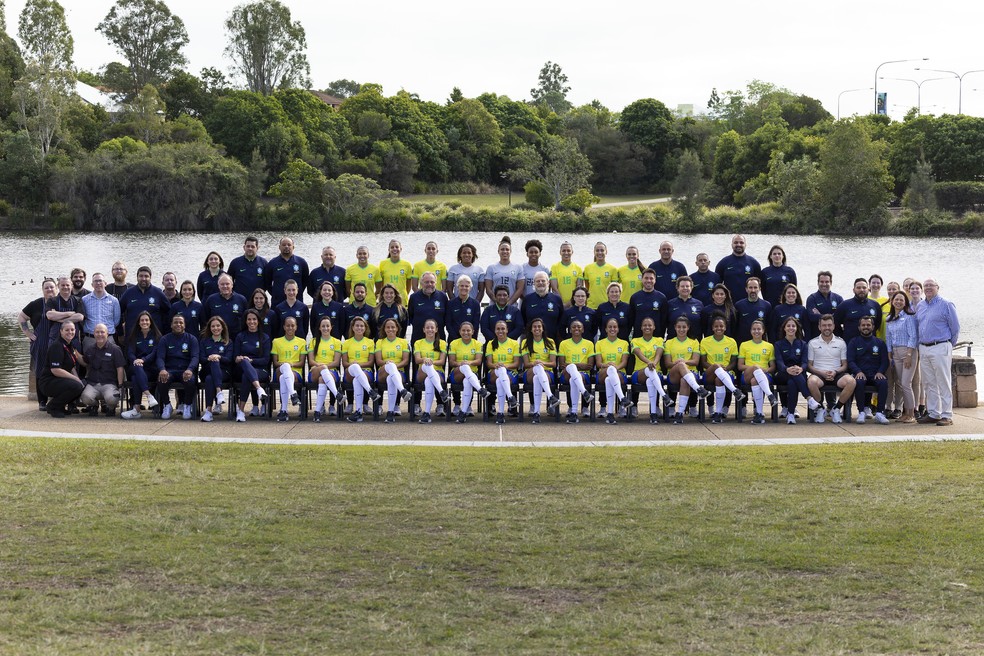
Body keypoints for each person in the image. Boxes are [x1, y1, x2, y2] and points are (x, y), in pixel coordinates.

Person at [915, 278, 960, 427]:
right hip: (924, 347)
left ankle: (947, 415)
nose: (928, 288)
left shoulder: (946, 304)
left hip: (940, 346)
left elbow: (955, 328)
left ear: (937, 287)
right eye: (925, 286)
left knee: (943, 382)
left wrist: (947, 345)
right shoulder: (920, 306)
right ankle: (934, 413)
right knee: (929, 383)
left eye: (931, 285)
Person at [806, 314, 856, 424]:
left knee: (851, 382)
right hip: (819, 373)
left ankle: (836, 409)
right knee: (811, 382)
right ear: (819, 327)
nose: (827, 328)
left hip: (837, 373)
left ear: (833, 326)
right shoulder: (812, 343)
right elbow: (809, 365)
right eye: (824, 325)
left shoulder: (841, 342)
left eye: (829, 325)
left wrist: (835, 371)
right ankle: (821, 409)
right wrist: (821, 373)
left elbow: (845, 365)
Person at [19, 278, 57, 410]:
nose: (49, 290)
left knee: (57, 370)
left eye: (52, 287)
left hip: (57, 342)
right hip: (40, 342)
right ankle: (42, 401)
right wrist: (28, 333)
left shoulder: (59, 302)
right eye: (46, 287)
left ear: (56, 288)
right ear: (42, 290)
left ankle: (57, 399)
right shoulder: (35, 304)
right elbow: (21, 317)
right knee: (40, 371)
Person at [699, 314, 744, 424]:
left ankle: (718, 413)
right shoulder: (705, 341)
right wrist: (716, 368)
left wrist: (726, 369)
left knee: (719, 380)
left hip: (726, 373)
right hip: (709, 373)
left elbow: (733, 363)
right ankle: (735, 390)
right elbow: (703, 362)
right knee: (715, 366)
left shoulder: (731, 342)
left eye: (721, 326)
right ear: (712, 328)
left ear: (725, 327)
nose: (719, 328)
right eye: (716, 326)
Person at [664, 317, 709, 424]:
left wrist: (684, 362)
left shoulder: (694, 342)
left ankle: (679, 413)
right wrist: (679, 363)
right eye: (679, 327)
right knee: (680, 365)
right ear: (675, 327)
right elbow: (667, 364)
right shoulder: (669, 342)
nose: (681, 329)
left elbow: (695, 362)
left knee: (685, 380)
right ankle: (698, 389)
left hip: (690, 374)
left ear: (688, 328)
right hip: (674, 374)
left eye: (684, 327)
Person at [774, 317, 819, 425]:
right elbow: (779, 362)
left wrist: (801, 368)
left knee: (792, 383)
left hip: (799, 372)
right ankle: (809, 398)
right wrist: (787, 369)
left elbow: (804, 362)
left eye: (793, 326)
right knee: (791, 379)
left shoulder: (803, 344)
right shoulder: (778, 344)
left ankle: (790, 414)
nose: (791, 328)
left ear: (797, 328)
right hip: (783, 373)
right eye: (788, 326)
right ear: (784, 328)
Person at [847, 316, 890, 424]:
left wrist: (880, 372)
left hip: (875, 373)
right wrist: (858, 371)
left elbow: (885, 361)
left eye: (868, 325)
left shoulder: (880, 343)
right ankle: (861, 412)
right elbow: (850, 360)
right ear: (859, 327)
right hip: (861, 373)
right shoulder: (854, 342)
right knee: (859, 382)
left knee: (883, 382)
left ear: (873, 327)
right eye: (863, 325)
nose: (866, 327)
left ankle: (880, 413)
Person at [155, 314, 200, 420]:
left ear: (184, 325)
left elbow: (195, 357)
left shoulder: (191, 339)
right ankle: (167, 405)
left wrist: (190, 369)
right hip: (170, 370)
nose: (178, 324)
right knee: (162, 380)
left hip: (185, 370)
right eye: (175, 322)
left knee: (190, 381)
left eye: (181, 322)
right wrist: (162, 369)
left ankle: (187, 405)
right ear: (171, 325)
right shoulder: (165, 339)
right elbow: (160, 357)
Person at [120, 311, 162, 419]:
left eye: (146, 320)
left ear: (150, 322)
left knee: (135, 378)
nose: (144, 322)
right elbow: (130, 353)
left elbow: (154, 353)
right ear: (138, 323)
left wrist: (142, 360)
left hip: (150, 369)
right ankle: (148, 395)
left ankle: (136, 410)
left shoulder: (157, 336)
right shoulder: (134, 336)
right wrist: (136, 360)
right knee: (136, 370)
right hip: (135, 366)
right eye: (142, 320)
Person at [38, 321, 85, 418]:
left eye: (72, 330)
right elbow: (56, 370)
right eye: (67, 330)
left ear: (75, 331)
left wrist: (78, 380)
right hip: (48, 382)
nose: (70, 332)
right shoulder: (57, 346)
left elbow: (71, 366)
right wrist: (76, 379)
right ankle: (52, 407)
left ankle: (60, 407)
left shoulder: (69, 345)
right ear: (61, 331)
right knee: (76, 386)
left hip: (59, 380)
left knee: (82, 385)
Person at [885, 290, 918, 424]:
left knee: (906, 383)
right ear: (892, 301)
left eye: (901, 300)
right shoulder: (889, 319)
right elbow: (888, 338)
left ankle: (911, 414)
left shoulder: (909, 317)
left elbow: (913, 336)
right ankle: (905, 413)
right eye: (896, 299)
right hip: (895, 353)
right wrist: (889, 355)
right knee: (900, 383)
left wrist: (909, 354)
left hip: (908, 352)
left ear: (905, 303)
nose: (898, 302)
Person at [520, 318, 561, 423]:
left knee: (537, 378)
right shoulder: (525, 342)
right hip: (529, 371)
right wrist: (535, 364)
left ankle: (536, 413)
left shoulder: (550, 342)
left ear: (543, 329)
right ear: (531, 329)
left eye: (539, 326)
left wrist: (542, 363)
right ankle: (550, 396)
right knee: (537, 369)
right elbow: (526, 364)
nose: (537, 328)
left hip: (547, 373)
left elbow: (553, 363)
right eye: (534, 327)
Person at [232, 309, 271, 422]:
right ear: (245, 321)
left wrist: (251, 360)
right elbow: (235, 357)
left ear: (258, 321)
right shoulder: (240, 336)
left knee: (246, 376)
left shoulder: (265, 337)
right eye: (249, 319)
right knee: (244, 362)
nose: (251, 322)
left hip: (260, 370)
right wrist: (240, 359)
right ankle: (259, 389)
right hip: (241, 368)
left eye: (254, 319)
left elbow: (265, 360)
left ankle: (241, 411)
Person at [79, 323, 125, 416]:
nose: (100, 334)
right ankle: (94, 405)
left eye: (102, 332)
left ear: (107, 334)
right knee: (85, 397)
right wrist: (74, 352)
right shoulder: (90, 349)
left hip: (109, 384)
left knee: (112, 399)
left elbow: (120, 368)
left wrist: (120, 386)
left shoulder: (115, 349)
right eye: (97, 332)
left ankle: (110, 408)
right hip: (93, 383)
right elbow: (85, 362)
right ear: (94, 334)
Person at [738, 319, 777, 425]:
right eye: (754, 329)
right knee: (755, 367)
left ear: (763, 331)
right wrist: (756, 368)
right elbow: (740, 366)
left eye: (759, 329)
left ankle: (759, 414)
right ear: (750, 331)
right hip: (747, 374)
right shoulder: (744, 345)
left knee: (755, 380)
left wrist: (766, 370)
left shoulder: (769, 346)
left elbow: (772, 367)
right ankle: (770, 395)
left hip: (763, 375)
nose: (756, 331)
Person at [630, 316, 669, 424]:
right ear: (641, 328)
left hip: (655, 373)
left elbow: (659, 354)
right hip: (639, 373)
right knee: (650, 371)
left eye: (649, 325)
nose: (647, 327)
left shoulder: (660, 340)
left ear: (654, 327)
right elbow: (638, 354)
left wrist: (654, 363)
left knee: (650, 380)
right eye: (645, 325)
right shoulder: (635, 340)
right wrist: (649, 363)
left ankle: (653, 414)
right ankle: (663, 395)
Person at [375, 317, 414, 422]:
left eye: (393, 327)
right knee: (390, 366)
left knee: (391, 379)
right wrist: (389, 364)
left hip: (398, 372)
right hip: (383, 371)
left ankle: (390, 412)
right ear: (384, 329)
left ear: (397, 329)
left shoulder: (403, 342)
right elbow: (379, 361)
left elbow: (405, 361)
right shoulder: (380, 342)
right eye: (388, 327)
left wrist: (393, 367)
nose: (390, 329)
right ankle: (402, 391)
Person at [595, 317, 633, 424]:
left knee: (609, 380)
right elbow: (598, 363)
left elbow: (624, 363)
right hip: (603, 372)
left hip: (619, 372)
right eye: (610, 327)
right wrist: (607, 365)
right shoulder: (599, 343)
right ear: (606, 329)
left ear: (618, 329)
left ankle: (610, 414)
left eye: (615, 327)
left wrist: (614, 368)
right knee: (609, 371)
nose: (612, 329)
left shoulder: (624, 343)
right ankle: (622, 398)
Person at [448, 321, 488, 422]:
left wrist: (468, 363)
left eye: (468, 330)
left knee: (467, 381)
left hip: (471, 374)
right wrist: (461, 364)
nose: (466, 332)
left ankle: (463, 412)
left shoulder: (477, 344)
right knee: (465, 368)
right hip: (457, 373)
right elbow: (452, 362)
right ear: (460, 332)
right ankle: (480, 389)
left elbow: (479, 361)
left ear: (473, 331)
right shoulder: (454, 343)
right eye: (463, 330)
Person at [558, 320, 595, 423]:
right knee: (572, 369)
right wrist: (579, 365)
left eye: (579, 327)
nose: (576, 329)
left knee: (573, 379)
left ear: (583, 329)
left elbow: (589, 366)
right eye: (573, 327)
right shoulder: (564, 343)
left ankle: (574, 413)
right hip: (565, 373)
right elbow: (562, 365)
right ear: (570, 330)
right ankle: (584, 392)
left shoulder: (589, 344)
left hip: (583, 375)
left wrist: (573, 365)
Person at [413, 318, 450, 423]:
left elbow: (442, 361)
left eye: (432, 327)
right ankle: (441, 391)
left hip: (438, 373)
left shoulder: (442, 343)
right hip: (421, 372)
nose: (430, 330)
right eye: (427, 328)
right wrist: (425, 360)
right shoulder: (418, 343)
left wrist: (431, 362)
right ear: (424, 329)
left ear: (436, 329)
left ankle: (427, 413)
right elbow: (417, 360)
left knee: (429, 380)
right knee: (426, 365)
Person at [484, 319, 521, 425]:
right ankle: (510, 397)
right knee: (500, 371)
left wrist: (504, 366)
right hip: (493, 372)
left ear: (507, 330)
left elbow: (516, 364)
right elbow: (489, 364)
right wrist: (496, 365)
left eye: (503, 328)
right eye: (498, 329)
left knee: (500, 380)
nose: (500, 331)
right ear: (495, 331)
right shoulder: (490, 343)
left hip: (510, 373)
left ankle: (500, 413)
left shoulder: (514, 343)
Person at [271, 316, 306, 422]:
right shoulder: (276, 341)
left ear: (296, 327)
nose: (290, 328)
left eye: (292, 325)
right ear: (284, 327)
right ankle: (293, 394)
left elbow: (301, 363)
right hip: (279, 370)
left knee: (283, 378)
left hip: (295, 373)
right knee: (284, 368)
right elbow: (276, 363)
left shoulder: (302, 342)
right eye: (288, 325)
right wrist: (285, 364)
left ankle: (284, 410)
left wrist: (290, 365)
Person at [307, 316, 343, 421]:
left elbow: (336, 362)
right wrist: (322, 367)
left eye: (327, 326)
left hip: (331, 371)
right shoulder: (313, 341)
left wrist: (325, 367)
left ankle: (317, 411)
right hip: (315, 371)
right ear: (319, 328)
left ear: (331, 327)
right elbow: (311, 361)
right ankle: (337, 394)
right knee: (321, 371)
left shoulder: (336, 342)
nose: (325, 328)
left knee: (322, 379)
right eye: (323, 326)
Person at [198, 316, 233, 423]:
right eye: (213, 326)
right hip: (206, 370)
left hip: (223, 373)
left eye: (218, 326)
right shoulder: (204, 342)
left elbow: (229, 359)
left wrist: (219, 357)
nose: (215, 328)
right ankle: (219, 392)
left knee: (210, 379)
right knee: (212, 364)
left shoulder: (228, 342)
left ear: (222, 327)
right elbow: (201, 359)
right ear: (209, 328)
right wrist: (209, 358)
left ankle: (208, 411)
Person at [120, 266, 170, 338]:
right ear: (137, 278)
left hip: (154, 337)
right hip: (132, 337)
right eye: (141, 276)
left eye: (146, 276)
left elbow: (168, 312)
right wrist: (120, 332)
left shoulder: (158, 293)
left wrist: (165, 332)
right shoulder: (128, 293)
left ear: (150, 278)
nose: (143, 279)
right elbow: (118, 312)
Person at [264, 236, 309, 306]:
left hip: (297, 301)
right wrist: (276, 293)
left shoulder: (301, 262)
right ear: (279, 247)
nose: (286, 246)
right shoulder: (272, 263)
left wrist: (296, 292)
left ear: (293, 247)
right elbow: (267, 283)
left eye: (289, 245)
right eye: (284, 245)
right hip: (277, 302)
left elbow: (305, 281)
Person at [80, 273, 120, 352]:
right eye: (95, 281)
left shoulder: (114, 300)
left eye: (100, 281)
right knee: (88, 363)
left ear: (105, 283)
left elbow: (116, 321)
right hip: (90, 339)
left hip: (108, 339)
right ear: (92, 284)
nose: (98, 283)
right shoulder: (84, 300)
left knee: (109, 363)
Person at [834, 278, 882, 343]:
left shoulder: (875, 305)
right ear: (854, 290)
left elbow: (877, 324)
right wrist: (843, 335)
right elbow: (835, 323)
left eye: (864, 288)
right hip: (850, 344)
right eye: (858, 288)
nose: (861, 290)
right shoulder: (844, 305)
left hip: (870, 345)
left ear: (868, 289)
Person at [522, 271, 564, 343]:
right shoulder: (527, 299)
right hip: (532, 341)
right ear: (534, 283)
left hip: (553, 340)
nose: (540, 283)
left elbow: (561, 319)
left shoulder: (556, 299)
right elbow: (523, 319)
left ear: (548, 283)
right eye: (538, 281)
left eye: (543, 281)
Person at [203, 274, 248, 339]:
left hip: (237, 338)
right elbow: (206, 320)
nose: (225, 286)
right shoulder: (211, 300)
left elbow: (245, 320)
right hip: (217, 338)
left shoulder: (241, 299)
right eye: (222, 284)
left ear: (232, 285)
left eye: (227, 284)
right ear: (218, 286)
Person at [46, 275, 85, 349]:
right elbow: (50, 315)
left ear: (72, 286)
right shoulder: (52, 300)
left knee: (75, 360)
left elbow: (80, 317)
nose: (65, 287)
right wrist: (69, 313)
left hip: (73, 340)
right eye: (62, 285)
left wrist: (58, 318)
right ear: (58, 286)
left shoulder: (78, 300)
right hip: (55, 339)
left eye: (67, 285)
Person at [629, 269, 669, 340]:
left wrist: (661, 338)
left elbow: (663, 321)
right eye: (646, 278)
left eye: (651, 278)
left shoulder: (661, 298)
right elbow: (631, 320)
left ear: (655, 280)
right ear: (642, 279)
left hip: (656, 338)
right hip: (638, 338)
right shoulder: (635, 297)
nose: (649, 281)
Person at [408, 271, 449, 342]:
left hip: (439, 338)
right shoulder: (414, 297)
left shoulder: (443, 297)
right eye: (426, 282)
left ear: (436, 283)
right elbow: (410, 316)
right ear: (421, 283)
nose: (429, 284)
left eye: (432, 282)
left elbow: (447, 317)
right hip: (418, 338)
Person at [485, 236, 524, 306]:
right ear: (498, 251)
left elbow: (520, 289)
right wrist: (497, 302)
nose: (505, 251)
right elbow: (488, 289)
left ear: (510, 251)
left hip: (512, 306)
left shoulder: (518, 268)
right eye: (502, 249)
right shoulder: (491, 268)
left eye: (507, 249)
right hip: (495, 305)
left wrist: (509, 303)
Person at [734, 277, 771, 345]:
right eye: (750, 287)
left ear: (759, 289)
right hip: (743, 345)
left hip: (760, 345)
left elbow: (769, 328)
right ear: (746, 289)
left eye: (755, 287)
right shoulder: (739, 305)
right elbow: (735, 327)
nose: (753, 290)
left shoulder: (766, 305)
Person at [805, 271, 843, 337]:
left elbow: (841, 318)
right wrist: (833, 316)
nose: (824, 284)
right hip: (817, 337)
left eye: (827, 282)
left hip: (836, 337)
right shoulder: (812, 298)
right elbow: (812, 317)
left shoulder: (838, 298)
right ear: (818, 283)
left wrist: (819, 315)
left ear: (831, 283)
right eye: (822, 282)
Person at [582, 241, 618, 310]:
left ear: (606, 252)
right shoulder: (587, 268)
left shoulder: (612, 269)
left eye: (602, 250)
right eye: (597, 250)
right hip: (591, 306)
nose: (600, 252)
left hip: (607, 305)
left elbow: (615, 290)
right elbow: (587, 288)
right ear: (594, 252)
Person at [445, 276, 482, 343]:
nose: (464, 288)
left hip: (469, 341)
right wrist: (456, 340)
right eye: (461, 286)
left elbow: (476, 325)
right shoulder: (451, 303)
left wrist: (470, 340)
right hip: (453, 341)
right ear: (457, 287)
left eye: (466, 286)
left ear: (470, 288)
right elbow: (448, 323)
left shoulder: (475, 304)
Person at [667, 276, 703, 340]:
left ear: (691, 287)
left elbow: (703, 325)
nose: (685, 288)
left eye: (687, 286)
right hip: (673, 344)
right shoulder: (670, 304)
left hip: (694, 344)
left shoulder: (699, 304)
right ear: (677, 288)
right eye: (682, 286)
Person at [550, 241, 582, 308]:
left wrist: (570, 302)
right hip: (558, 303)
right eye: (564, 251)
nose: (566, 253)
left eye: (568, 250)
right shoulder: (554, 267)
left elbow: (578, 288)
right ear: (560, 252)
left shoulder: (578, 268)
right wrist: (562, 303)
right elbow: (554, 288)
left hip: (573, 304)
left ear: (572, 252)